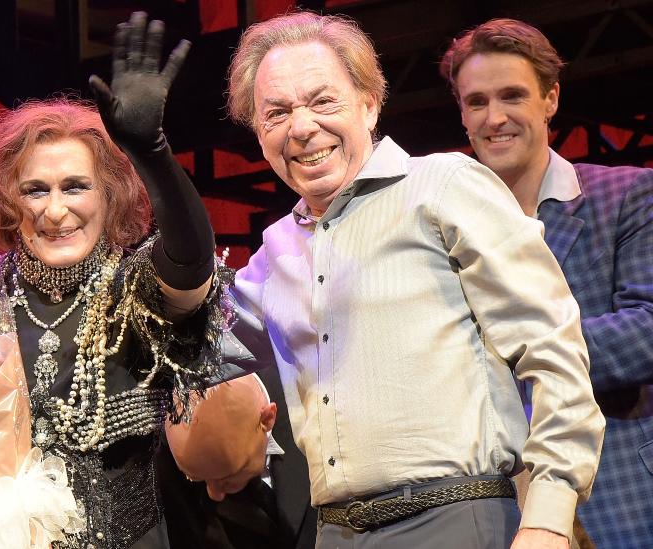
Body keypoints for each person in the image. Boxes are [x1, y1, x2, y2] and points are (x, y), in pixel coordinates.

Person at [210, 11, 605, 549]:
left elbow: (554, 349)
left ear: (370, 103)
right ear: (259, 134)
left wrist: (548, 516)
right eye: (276, 112)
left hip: (454, 519)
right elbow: (203, 345)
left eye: (323, 101)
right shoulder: (275, 251)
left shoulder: (444, 185)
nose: (301, 127)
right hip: (335, 533)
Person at [0, 13, 225, 548]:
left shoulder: (136, 289)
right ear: (8, 204)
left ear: (110, 195)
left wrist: (153, 152)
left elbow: (191, 262)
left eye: (75, 187)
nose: (55, 211)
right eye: (34, 191)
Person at [440, 19, 653, 548]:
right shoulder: (442, 226)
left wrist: (507, 355)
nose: (495, 118)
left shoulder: (626, 196)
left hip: (617, 486)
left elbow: (647, 329)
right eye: (476, 102)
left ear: (550, 99)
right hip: (493, 506)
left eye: (512, 96)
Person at [160, 371, 317, 549]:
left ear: (266, 419)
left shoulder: (317, 407)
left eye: (227, 476)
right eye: (196, 478)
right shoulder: (166, 468)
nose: (214, 494)